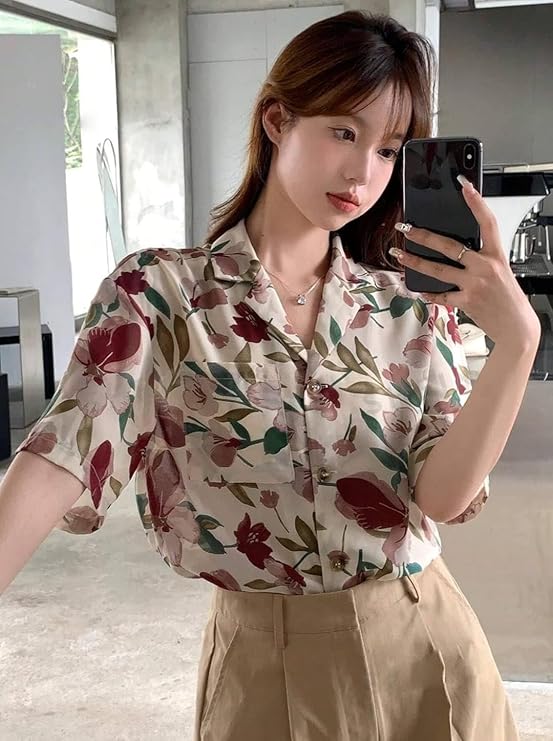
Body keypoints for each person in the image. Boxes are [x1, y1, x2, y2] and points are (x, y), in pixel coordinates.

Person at [0, 10, 540, 741]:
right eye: (343, 132)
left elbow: (442, 497)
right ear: (277, 120)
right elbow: (63, 452)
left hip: (425, 650)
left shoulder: (407, 307)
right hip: (262, 666)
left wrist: (517, 344)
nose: (363, 172)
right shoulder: (161, 296)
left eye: (387, 150)